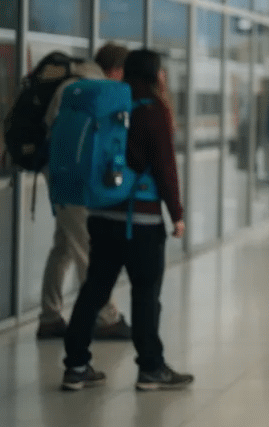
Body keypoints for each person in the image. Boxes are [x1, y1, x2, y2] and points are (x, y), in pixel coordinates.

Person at [61, 49, 193, 391]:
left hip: (103, 216)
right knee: (146, 293)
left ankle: (76, 365)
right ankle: (151, 368)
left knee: (94, 290)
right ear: (156, 75)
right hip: (143, 223)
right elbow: (165, 168)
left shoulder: (112, 106)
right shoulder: (153, 111)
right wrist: (176, 213)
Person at [37, 42, 132, 340]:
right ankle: (106, 317)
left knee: (64, 246)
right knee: (87, 247)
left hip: (62, 177)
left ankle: (50, 316)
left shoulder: (71, 85)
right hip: (79, 180)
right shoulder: (92, 89)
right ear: (116, 70)